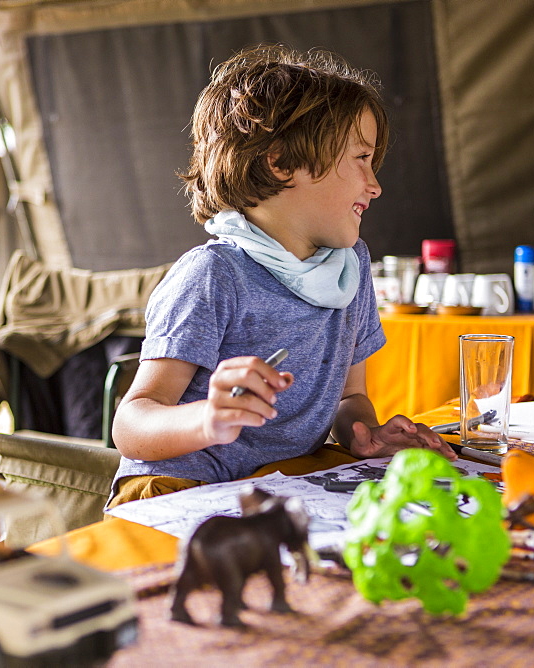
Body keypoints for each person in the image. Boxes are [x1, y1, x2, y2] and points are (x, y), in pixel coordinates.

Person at [108, 44, 455, 508]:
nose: (375, 185)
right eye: (360, 159)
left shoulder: (350, 272)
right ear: (282, 163)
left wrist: (364, 433)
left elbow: (349, 397)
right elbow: (131, 425)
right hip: (178, 491)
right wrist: (207, 419)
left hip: (280, 487)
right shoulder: (214, 275)